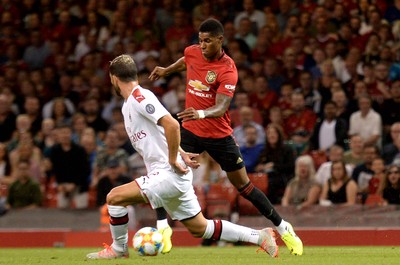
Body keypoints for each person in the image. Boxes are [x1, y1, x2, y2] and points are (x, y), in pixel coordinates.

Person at [86, 54, 278, 259]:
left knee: (114, 197)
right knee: (199, 227)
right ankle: (260, 236)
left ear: (114, 78)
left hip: (168, 172)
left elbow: (172, 124)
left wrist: (171, 159)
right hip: (172, 173)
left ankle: (118, 250)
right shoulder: (128, 105)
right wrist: (181, 152)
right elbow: (162, 133)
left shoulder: (139, 97)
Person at [149, 18, 302, 255]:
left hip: (219, 135)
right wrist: (167, 69)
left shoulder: (228, 69)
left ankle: (284, 228)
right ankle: (162, 228)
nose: (202, 45)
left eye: (208, 41)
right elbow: (186, 61)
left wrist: (199, 112)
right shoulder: (192, 52)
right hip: (190, 130)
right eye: (200, 40)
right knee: (162, 167)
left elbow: (221, 107)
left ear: (220, 40)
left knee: (244, 186)